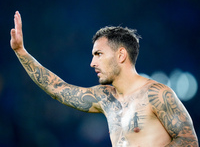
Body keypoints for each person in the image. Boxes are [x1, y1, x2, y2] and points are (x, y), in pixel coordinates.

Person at [10, 11, 198, 147]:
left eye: (98, 54)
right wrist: (21, 51)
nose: (92, 63)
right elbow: (58, 89)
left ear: (121, 55)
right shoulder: (105, 98)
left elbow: (189, 141)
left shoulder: (157, 94)